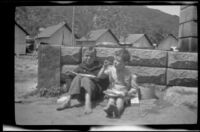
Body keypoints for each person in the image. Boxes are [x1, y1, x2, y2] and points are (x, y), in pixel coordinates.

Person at [57, 46, 109, 114]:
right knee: (78, 77)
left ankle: (88, 104)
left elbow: (104, 81)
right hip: (80, 94)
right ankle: (68, 101)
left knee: (85, 79)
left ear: (95, 58)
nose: (89, 58)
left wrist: (97, 78)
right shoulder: (81, 66)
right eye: (87, 56)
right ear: (83, 57)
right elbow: (72, 76)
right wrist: (69, 73)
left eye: (91, 56)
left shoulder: (99, 67)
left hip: (93, 94)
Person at [97, 48, 139, 118]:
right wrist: (103, 67)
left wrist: (128, 93)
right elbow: (99, 76)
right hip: (113, 91)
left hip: (123, 93)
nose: (115, 62)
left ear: (125, 63)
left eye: (118, 61)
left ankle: (118, 111)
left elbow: (134, 88)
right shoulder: (111, 69)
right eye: (114, 60)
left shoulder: (128, 73)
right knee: (111, 100)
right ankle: (109, 109)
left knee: (119, 100)